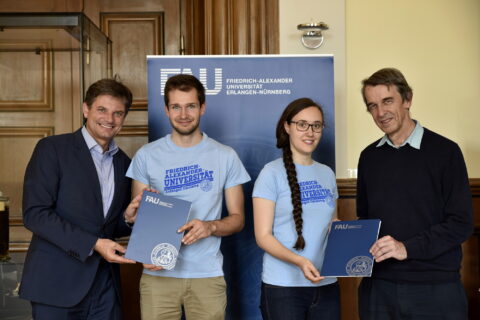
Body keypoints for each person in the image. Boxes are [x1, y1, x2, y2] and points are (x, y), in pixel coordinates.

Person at [126, 74, 251, 320]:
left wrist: (211, 226)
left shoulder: (225, 156)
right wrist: (130, 217)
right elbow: (138, 216)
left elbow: (238, 220)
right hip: (158, 275)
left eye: (191, 106)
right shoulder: (146, 156)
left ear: (202, 108)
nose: (183, 114)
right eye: (176, 106)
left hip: (207, 275)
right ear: (166, 110)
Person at [356, 67, 473, 319]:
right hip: (378, 288)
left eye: (387, 101)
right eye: (372, 106)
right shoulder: (368, 158)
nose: (380, 113)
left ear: (408, 99)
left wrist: (406, 248)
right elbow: (365, 222)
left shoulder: (446, 152)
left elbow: (461, 224)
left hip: (435, 287)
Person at [20, 79, 142, 319]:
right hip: (56, 285)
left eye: (118, 113)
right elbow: (35, 214)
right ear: (86, 109)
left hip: (106, 287)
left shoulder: (124, 163)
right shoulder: (52, 149)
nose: (110, 119)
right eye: (102, 110)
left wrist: (127, 219)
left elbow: (107, 225)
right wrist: (93, 244)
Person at [253, 98, 340, 320]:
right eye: (302, 124)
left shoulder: (327, 174)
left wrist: (353, 240)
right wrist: (300, 261)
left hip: (327, 283)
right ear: (287, 127)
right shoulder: (270, 173)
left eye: (316, 125)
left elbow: (334, 223)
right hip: (283, 288)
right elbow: (263, 236)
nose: (310, 132)